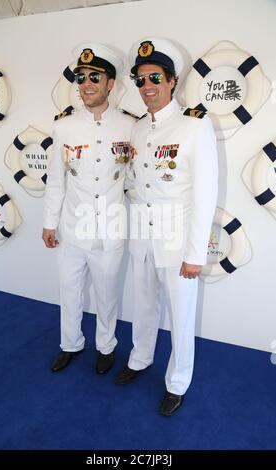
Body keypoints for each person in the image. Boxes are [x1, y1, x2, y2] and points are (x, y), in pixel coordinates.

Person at [116, 38, 218, 416]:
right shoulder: (139, 129)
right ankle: (139, 359)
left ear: (172, 80)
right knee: (142, 307)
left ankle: (177, 383)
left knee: (180, 316)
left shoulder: (194, 125)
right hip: (143, 238)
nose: (147, 87)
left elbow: (205, 194)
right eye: (141, 80)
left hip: (177, 243)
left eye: (155, 77)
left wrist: (195, 254)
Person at [43, 43, 135, 374]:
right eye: (82, 77)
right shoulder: (63, 126)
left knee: (107, 296)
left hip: (110, 229)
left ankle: (106, 347)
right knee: (69, 292)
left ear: (111, 83)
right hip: (71, 228)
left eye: (95, 77)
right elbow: (55, 180)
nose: (87, 84)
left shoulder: (130, 126)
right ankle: (71, 344)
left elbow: (136, 180)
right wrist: (49, 223)